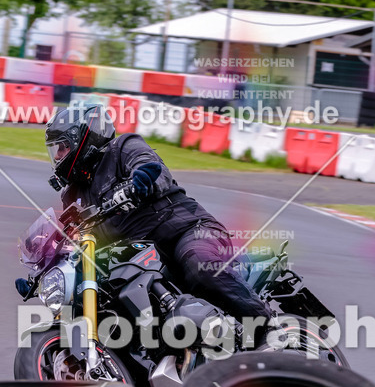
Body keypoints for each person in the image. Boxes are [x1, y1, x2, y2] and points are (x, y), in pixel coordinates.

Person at [44, 103, 272, 331]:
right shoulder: (73, 195)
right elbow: (74, 241)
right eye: (55, 150)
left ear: (85, 139)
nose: (59, 156)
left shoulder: (122, 147)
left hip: (187, 231)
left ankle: (267, 328)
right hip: (136, 259)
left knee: (198, 264)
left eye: (63, 147)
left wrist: (141, 181)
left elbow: (154, 169)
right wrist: (48, 268)